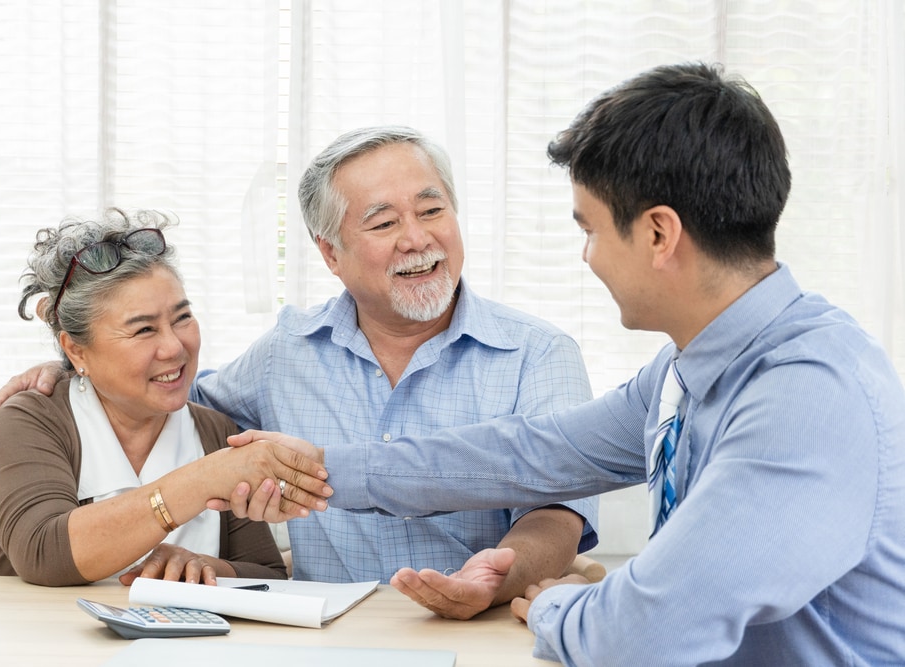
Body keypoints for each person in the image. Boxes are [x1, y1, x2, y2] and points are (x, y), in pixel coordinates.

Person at [230, 63, 905, 665]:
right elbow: (531, 451)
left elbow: (639, 633)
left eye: (589, 229)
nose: (587, 258)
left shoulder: (807, 394)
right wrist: (322, 469)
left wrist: (550, 598)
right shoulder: (686, 370)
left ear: (658, 234)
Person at [0, 127, 599, 620]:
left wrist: (498, 577)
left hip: (480, 628)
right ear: (330, 253)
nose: (417, 238)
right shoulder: (285, 353)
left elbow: (559, 511)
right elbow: (164, 394)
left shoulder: (539, 354)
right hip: (328, 635)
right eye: (383, 223)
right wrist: (67, 370)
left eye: (432, 210)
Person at [0, 209, 330, 587]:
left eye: (182, 318)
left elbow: (266, 573)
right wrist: (204, 480)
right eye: (143, 330)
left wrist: (203, 565)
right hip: (33, 642)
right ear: (76, 351)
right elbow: (44, 554)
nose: (174, 347)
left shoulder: (214, 429)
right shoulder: (30, 419)